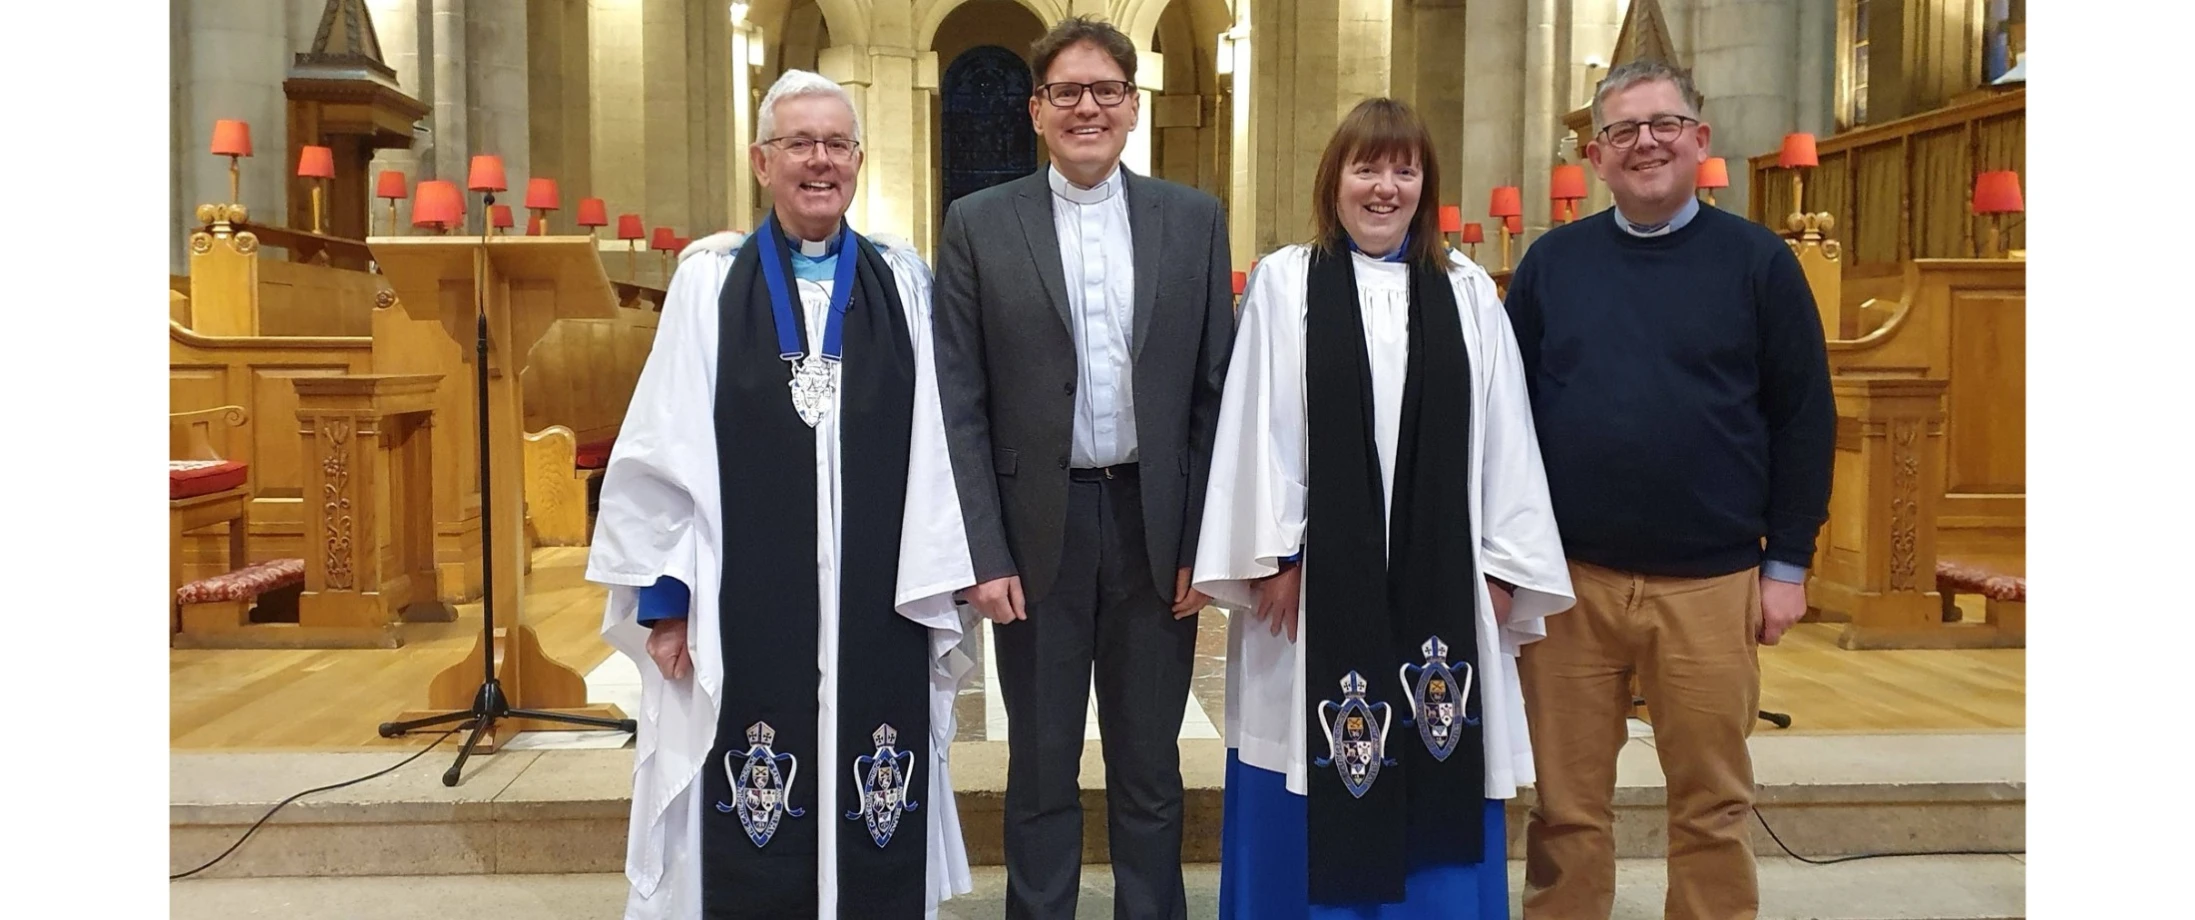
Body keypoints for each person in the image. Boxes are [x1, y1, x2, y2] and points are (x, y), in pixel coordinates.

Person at [586, 69, 979, 920]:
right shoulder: (709, 285)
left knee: (875, 769)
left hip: (877, 596)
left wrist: (945, 575)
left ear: (859, 161)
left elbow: (937, 450)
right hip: (742, 600)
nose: (819, 162)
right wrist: (664, 599)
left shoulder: (902, 287)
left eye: (836, 144)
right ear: (762, 161)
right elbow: (663, 444)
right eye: (799, 143)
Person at [1189, 96, 1575, 919]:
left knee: (1438, 737)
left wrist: (1504, 567)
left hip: (1444, 580)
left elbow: (1506, 437)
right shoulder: (1285, 284)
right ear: (1335, 180)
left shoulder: (1467, 293)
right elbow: (1259, 428)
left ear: (1424, 185)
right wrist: (1276, 555)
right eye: (1367, 167)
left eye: (1404, 170)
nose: (1384, 188)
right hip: (1313, 589)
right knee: (1308, 739)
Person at [1502, 58, 1836, 920]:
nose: (1643, 142)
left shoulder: (1759, 263)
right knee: (1566, 807)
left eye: (1661, 125)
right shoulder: (1551, 265)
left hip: (1712, 580)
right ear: (1595, 155)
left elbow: (1803, 418)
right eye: (1621, 130)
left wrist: (1788, 566)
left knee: (1712, 802)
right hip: (1570, 578)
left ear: (1699, 139)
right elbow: (1505, 417)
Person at [930, 15, 1236, 920]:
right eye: (1066, 92)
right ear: (1035, 110)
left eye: (1106, 91)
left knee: (1150, 765)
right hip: (1035, 531)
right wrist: (983, 552)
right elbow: (960, 404)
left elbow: (1213, 394)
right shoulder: (978, 225)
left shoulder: (1193, 220)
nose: (1087, 108)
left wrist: (1204, 542)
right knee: (1040, 766)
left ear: (1132, 107)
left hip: (1154, 527)